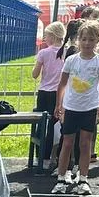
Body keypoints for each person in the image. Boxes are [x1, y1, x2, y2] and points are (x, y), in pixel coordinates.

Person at [51, 21, 99, 197]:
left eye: (91, 40)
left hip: (89, 107)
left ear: (97, 40)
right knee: (67, 143)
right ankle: (61, 178)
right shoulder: (71, 60)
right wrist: (58, 104)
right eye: (84, 39)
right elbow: (61, 84)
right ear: (78, 40)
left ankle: (83, 179)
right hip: (71, 107)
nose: (87, 43)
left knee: (85, 144)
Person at [32, 22, 66, 165]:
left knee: (41, 124)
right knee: (54, 125)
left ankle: (39, 157)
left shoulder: (44, 53)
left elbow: (35, 74)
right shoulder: (67, 52)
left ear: (52, 36)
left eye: (46, 36)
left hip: (44, 91)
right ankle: (52, 157)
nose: (45, 39)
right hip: (59, 93)